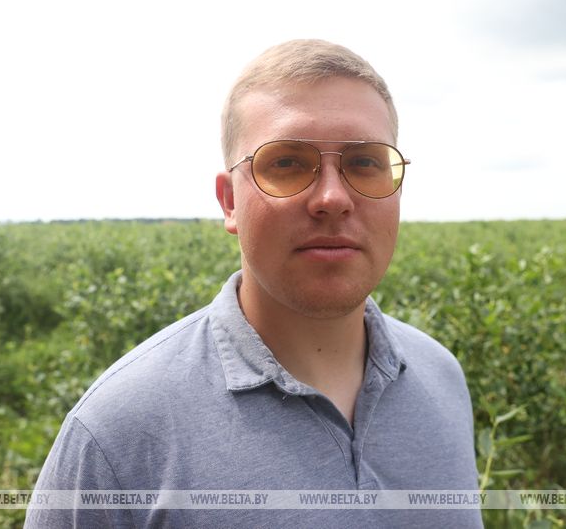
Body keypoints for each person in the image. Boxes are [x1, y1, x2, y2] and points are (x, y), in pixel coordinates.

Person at [26, 39, 482, 528]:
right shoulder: (118, 433)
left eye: (365, 163)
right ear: (229, 202)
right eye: (286, 163)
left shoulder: (441, 378)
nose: (332, 198)